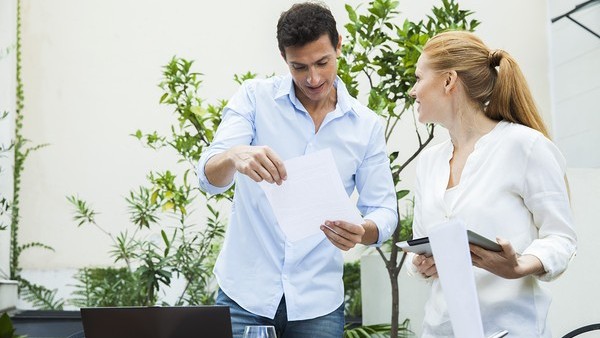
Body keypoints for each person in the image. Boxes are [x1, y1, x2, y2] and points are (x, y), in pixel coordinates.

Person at [196, 2, 398, 337]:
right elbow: (208, 177)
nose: (314, 78)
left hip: (317, 304)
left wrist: (364, 230)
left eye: (322, 62)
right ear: (283, 59)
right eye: (299, 67)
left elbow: (385, 209)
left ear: (339, 46)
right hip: (245, 296)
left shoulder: (366, 126)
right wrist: (233, 156)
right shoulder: (254, 99)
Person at [406, 30, 577, 337]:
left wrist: (522, 265)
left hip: (511, 329)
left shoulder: (524, 146)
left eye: (419, 78)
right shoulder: (429, 163)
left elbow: (561, 238)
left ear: (448, 81)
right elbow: (421, 243)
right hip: (439, 330)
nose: (413, 91)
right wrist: (422, 264)